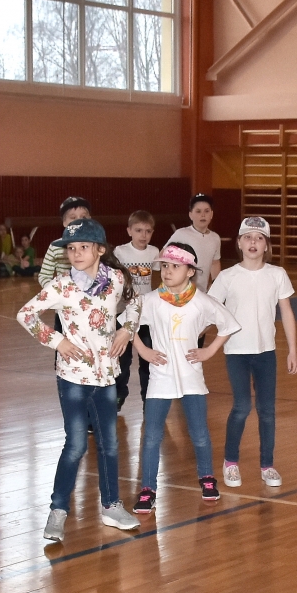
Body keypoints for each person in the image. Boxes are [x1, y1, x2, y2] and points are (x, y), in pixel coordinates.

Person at [16, 218, 142, 542]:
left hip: (106, 377)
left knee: (109, 444)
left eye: (83, 247)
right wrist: (57, 341)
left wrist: (127, 330)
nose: (76, 253)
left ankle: (111, 505)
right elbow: (25, 314)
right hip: (72, 377)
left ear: (100, 249)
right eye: (71, 248)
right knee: (75, 445)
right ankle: (58, 510)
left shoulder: (116, 279)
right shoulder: (61, 286)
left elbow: (135, 301)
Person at [131, 243, 241, 513]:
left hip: (191, 377)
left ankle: (207, 477)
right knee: (152, 436)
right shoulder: (151, 300)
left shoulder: (201, 301)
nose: (167, 271)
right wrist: (143, 350)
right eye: (164, 266)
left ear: (190, 271)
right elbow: (126, 323)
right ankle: (147, 489)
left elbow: (228, 324)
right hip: (160, 378)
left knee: (200, 433)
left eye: (175, 266)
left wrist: (209, 350)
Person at [208, 217, 297, 489]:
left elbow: (287, 313)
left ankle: (267, 465)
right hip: (236, 352)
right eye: (248, 237)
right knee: (242, 406)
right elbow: (209, 309)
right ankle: (230, 461)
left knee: (267, 410)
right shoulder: (227, 277)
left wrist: (292, 350)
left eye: (259, 238)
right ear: (239, 243)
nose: (253, 242)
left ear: (266, 245)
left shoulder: (277, 274)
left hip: (266, 353)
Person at [113, 210, 160, 410]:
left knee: (147, 358)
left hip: (146, 315)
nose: (143, 235)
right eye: (139, 230)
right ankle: (118, 395)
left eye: (148, 231)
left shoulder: (155, 252)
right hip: (123, 313)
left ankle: (148, 399)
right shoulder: (120, 252)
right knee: (122, 359)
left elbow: (157, 281)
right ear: (129, 231)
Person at [167, 193, 222, 293]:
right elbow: (164, 257)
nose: (203, 215)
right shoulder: (181, 234)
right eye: (198, 211)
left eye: (206, 211)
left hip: (201, 292)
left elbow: (215, 262)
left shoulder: (215, 238)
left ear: (211, 214)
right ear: (190, 215)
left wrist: (215, 284)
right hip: (181, 291)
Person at [38, 196, 92, 286]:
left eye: (84, 217)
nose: (79, 220)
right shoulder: (55, 246)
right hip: (64, 291)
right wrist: (54, 290)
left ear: (90, 219)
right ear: (64, 222)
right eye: (73, 217)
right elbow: (44, 276)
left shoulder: (96, 244)